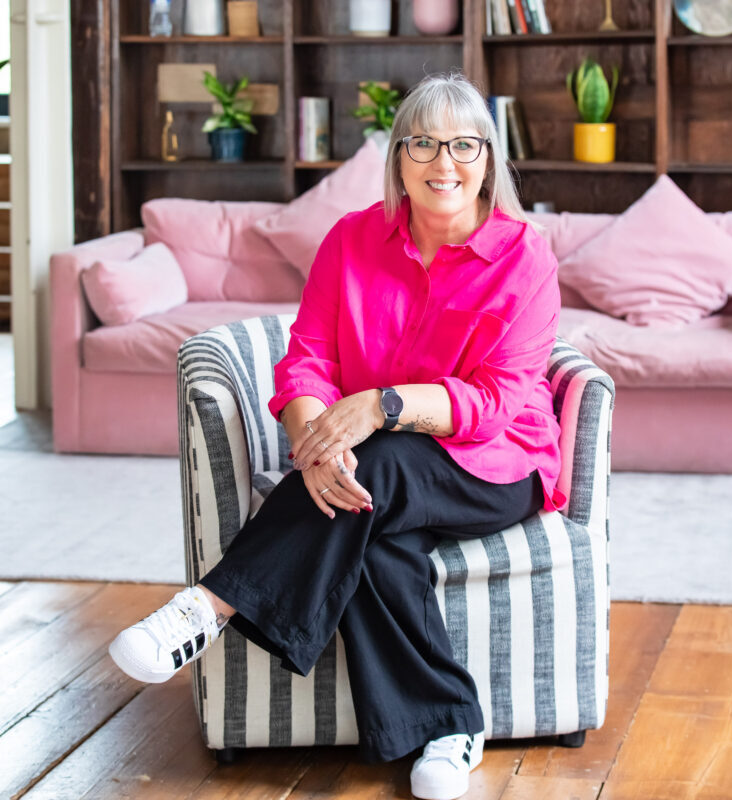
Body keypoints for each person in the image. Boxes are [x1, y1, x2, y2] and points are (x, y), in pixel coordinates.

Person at [109, 72, 565, 800]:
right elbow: (308, 360)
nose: (442, 162)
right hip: (374, 466)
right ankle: (451, 728)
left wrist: (381, 406)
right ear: (398, 158)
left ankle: (210, 607)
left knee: (378, 459)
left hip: (494, 464)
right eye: (422, 143)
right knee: (374, 534)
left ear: (488, 158)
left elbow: (500, 400)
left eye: (462, 145)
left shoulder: (525, 257)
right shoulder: (352, 240)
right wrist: (314, 444)